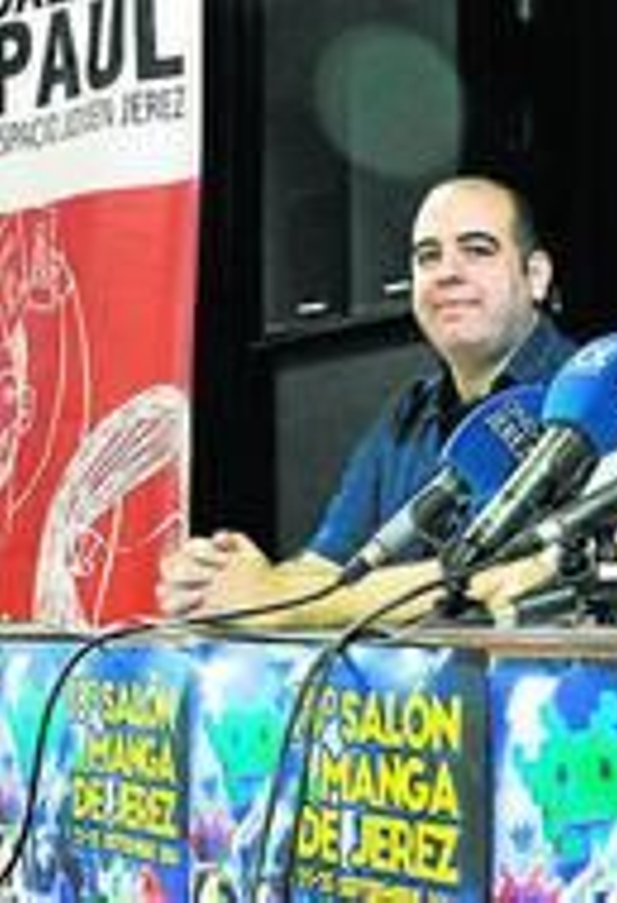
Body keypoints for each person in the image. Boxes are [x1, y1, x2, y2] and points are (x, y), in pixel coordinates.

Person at [157, 175, 577, 623]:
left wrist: (275, 601)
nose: (448, 272)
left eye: (477, 250)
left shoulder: (585, 402)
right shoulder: (406, 414)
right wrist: (223, 582)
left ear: (535, 276)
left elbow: (504, 575)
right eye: (427, 256)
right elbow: (329, 567)